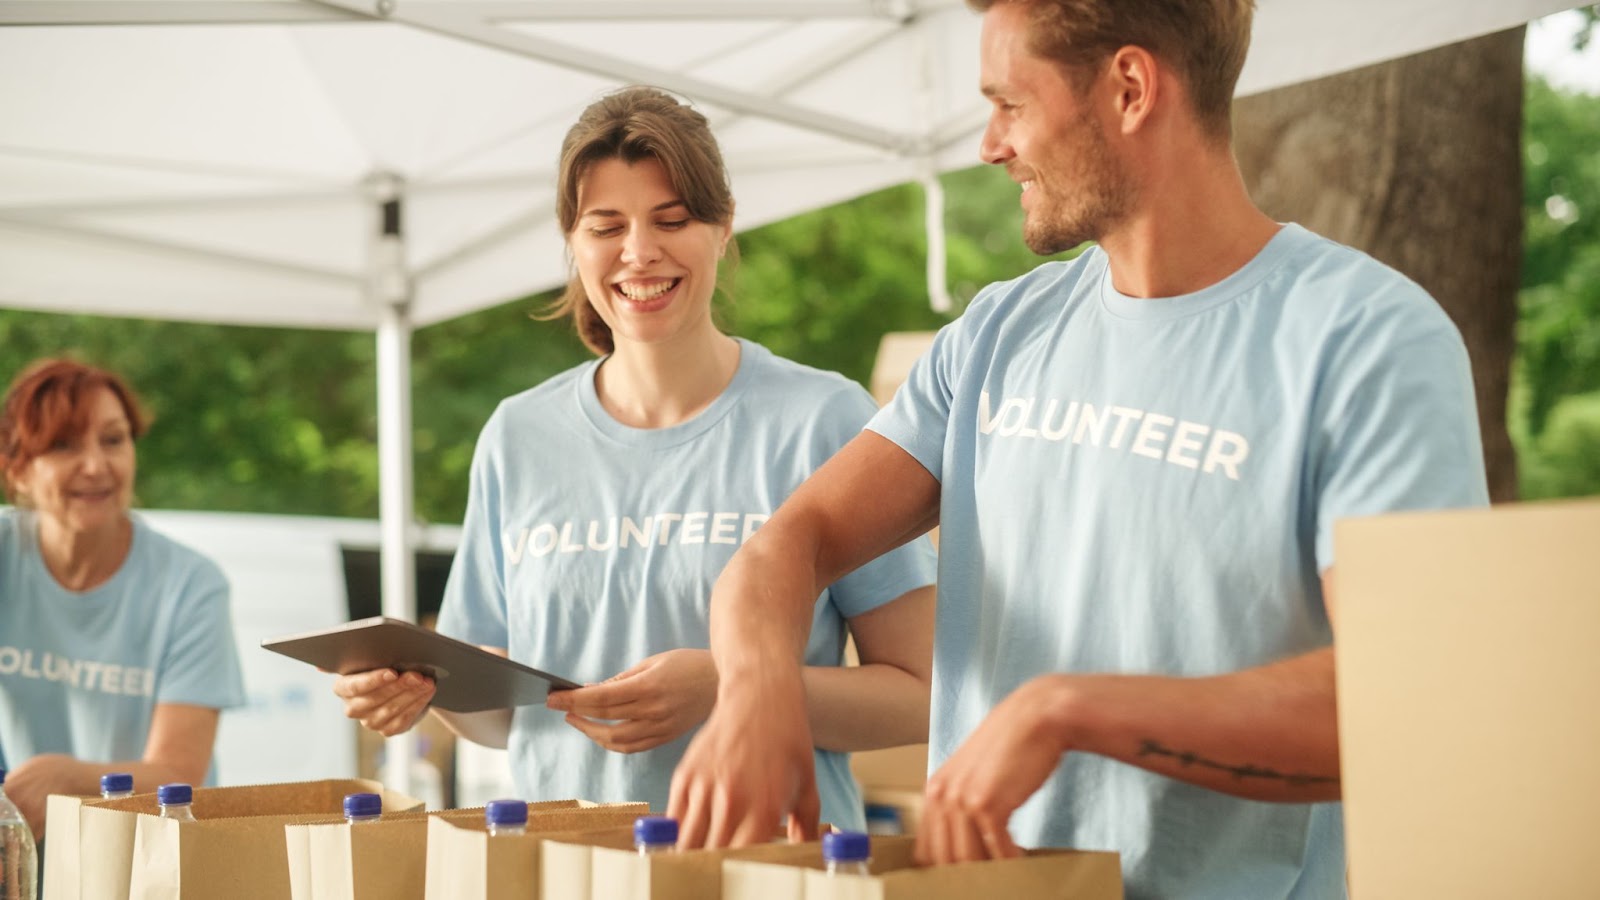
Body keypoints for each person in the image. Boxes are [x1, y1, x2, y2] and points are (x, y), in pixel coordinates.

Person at [667, 1, 1489, 897]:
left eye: (1009, 104)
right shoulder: (995, 336)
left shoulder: (1369, 339)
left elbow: (1409, 694)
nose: (989, 144)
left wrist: (1071, 709)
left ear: (1130, 89)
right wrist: (755, 690)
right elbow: (789, 544)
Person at [331, 86, 937, 830]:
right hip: (568, 866)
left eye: (672, 220)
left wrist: (734, 685)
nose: (639, 251)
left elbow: (923, 695)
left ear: (723, 229)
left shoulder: (825, 419)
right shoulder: (518, 435)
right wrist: (423, 688)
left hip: (771, 866)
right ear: (572, 242)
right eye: (605, 226)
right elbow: (503, 719)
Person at [0, 358, 247, 841]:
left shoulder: (190, 585)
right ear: (19, 469)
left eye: (113, 440)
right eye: (64, 444)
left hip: (153, 867)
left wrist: (70, 781)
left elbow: (180, 774)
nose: (95, 465)